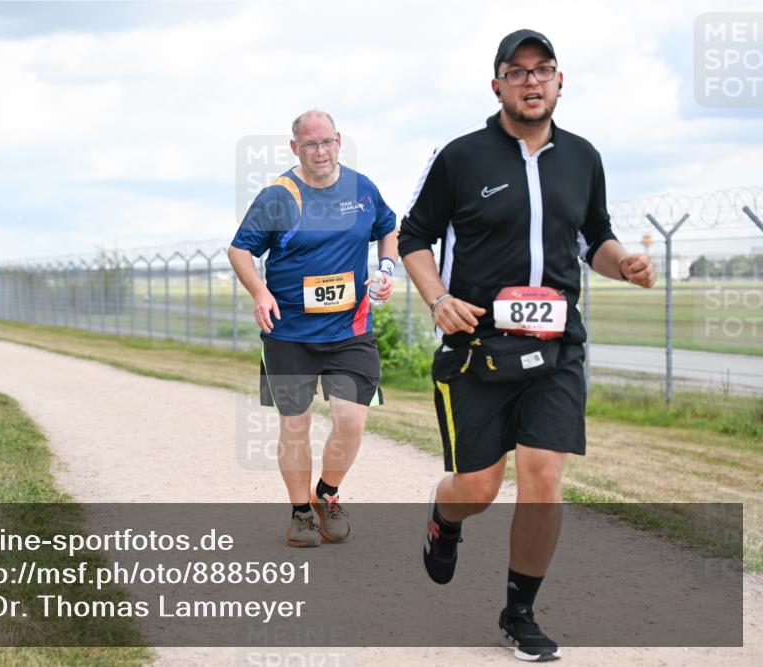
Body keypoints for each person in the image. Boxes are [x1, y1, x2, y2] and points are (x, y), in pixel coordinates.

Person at [399, 30, 656, 662]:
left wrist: (622, 263)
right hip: (477, 347)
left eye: (543, 70)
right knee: (479, 489)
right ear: (497, 85)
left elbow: (595, 236)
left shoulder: (583, 157)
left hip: (557, 347)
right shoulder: (461, 157)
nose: (532, 81)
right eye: (517, 72)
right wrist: (438, 300)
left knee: (543, 478)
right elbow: (414, 238)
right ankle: (445, 514)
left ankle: (520, 613)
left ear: (559, 81)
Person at [228, 110, 399, 548]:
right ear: (295, 148)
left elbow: (389, 228)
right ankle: (301, 514)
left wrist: (385, 267)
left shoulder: (362, 189)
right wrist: (260, 293)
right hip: (289, 334)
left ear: (339, 140)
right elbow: (239, 250)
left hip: (350, 329)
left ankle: (327, 494)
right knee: (295, 425)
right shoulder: (278, 196)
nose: (320, 152)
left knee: (351, 422)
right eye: (310, 145)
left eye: (326, 143)